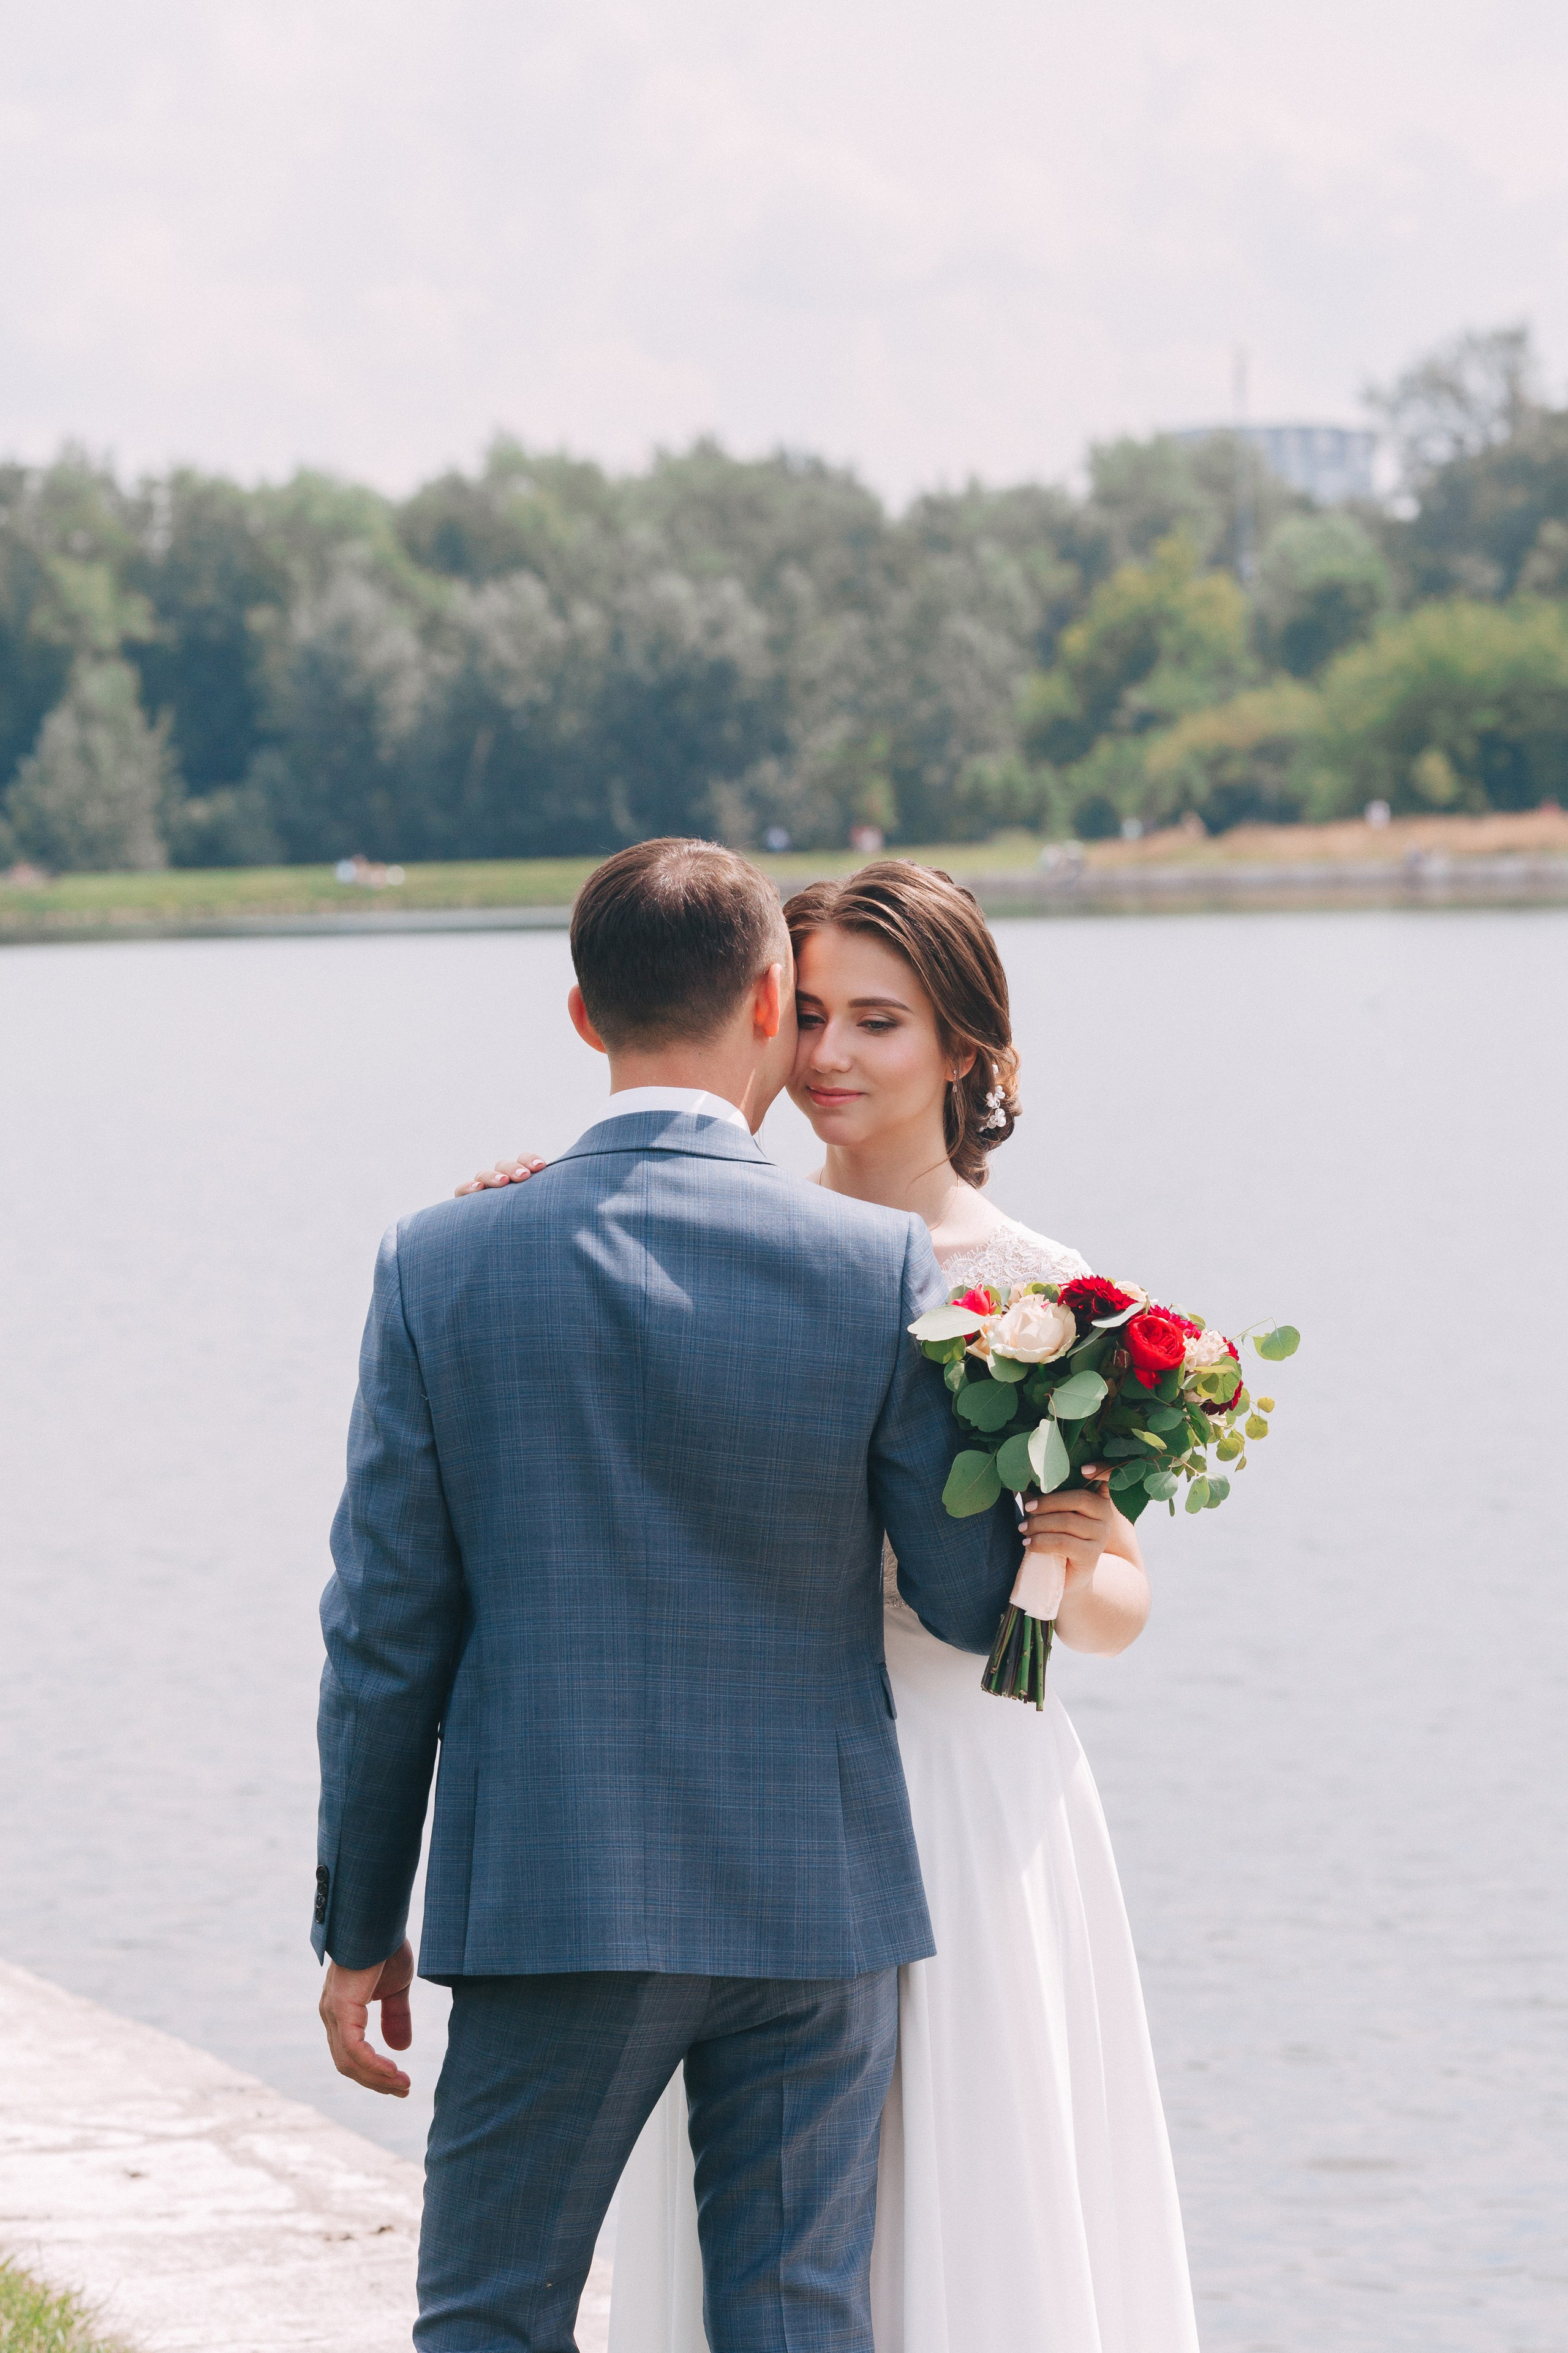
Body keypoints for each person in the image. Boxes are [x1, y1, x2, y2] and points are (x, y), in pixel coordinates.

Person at [462, 861, 1201, 2353]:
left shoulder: (1047, 1297)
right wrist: (538, 1219)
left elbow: (1115, 1599)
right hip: (762, 1803)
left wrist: (1060, 1562)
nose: (828, 1058)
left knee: (976, 2185)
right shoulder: (717, 1241)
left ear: (961, 1050)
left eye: (877, 1020)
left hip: (969, 1787)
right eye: (805, 1016)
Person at [313, 838, 1030, 2353]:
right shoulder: (881, 1267)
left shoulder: (439, 1259)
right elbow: (970, 1607)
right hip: (815, 1896)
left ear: (583, 1015)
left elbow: (384, 1635)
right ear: (774, 1000)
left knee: (493, 2319)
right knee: (792, 2318)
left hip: (555, 1895)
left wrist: (358, 1917)